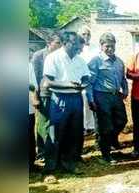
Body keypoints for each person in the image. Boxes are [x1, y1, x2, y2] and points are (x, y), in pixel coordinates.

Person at [42, 31, 91, 176]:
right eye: (73, 43)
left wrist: (82, 84)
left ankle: (69, 163)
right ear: (64, 43)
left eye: (77, 43)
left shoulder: (80, 60)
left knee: (73, 132)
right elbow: (48, 82)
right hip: (60, 99)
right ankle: (51, 166)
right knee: (56, 132)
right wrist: (67, 84)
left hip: (76, 99)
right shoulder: (53, 58)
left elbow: (86, 78)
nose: (77, 46)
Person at [87, 32, 128, 163]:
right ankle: (105, 155)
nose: (110, 49)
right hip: (101, 96)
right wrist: (91, 99)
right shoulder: (96, 61)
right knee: (106, 126)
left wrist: (125, 90)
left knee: (122, 120)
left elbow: (123, 79)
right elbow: (89, 83)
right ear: (101, 46)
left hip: (116, 96)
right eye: (107, 46)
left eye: (112, 46)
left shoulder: (119, 61)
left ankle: (110, 140)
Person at [31, 33, 61, 160]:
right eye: (58, 43)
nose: (60, 46)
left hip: (57, 93)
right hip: (44, 94)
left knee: (56, 122)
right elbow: (35, 78)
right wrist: (36, 97)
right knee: (43, 123)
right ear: (49, 43)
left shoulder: (60, 56)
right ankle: (42, 151)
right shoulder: (38, 56)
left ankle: (54, 150)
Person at [79, 26, 99, 135]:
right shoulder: (77, 48)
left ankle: (91, 126)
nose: (86, 36)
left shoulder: (95, 48)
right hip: (80, 81)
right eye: (83, 34)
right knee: (81, 103)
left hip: (92, 81)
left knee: (91, 102)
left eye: (88, 34)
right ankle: (82, 126)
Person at [29, 62, 40, 171]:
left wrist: (34, 100)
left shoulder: (28, 65)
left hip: (28, 107)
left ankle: (30, 164)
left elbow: (33, 86)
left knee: (29, 135)